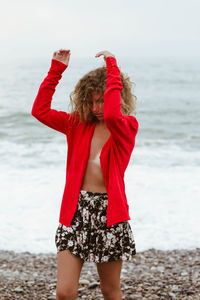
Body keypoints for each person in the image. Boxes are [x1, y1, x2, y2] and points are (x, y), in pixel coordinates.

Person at [31, 49, 139, 300]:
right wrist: (55, 70)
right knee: (64, 292)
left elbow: (113, 114)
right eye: (90, 101)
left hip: (109, 216)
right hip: (75, 212)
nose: (96, 107)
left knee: (109, 290)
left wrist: (112, 66)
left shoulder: (126, 127)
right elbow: (40, 111)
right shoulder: (77, 124)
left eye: (100, 100)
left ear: (116, 95)